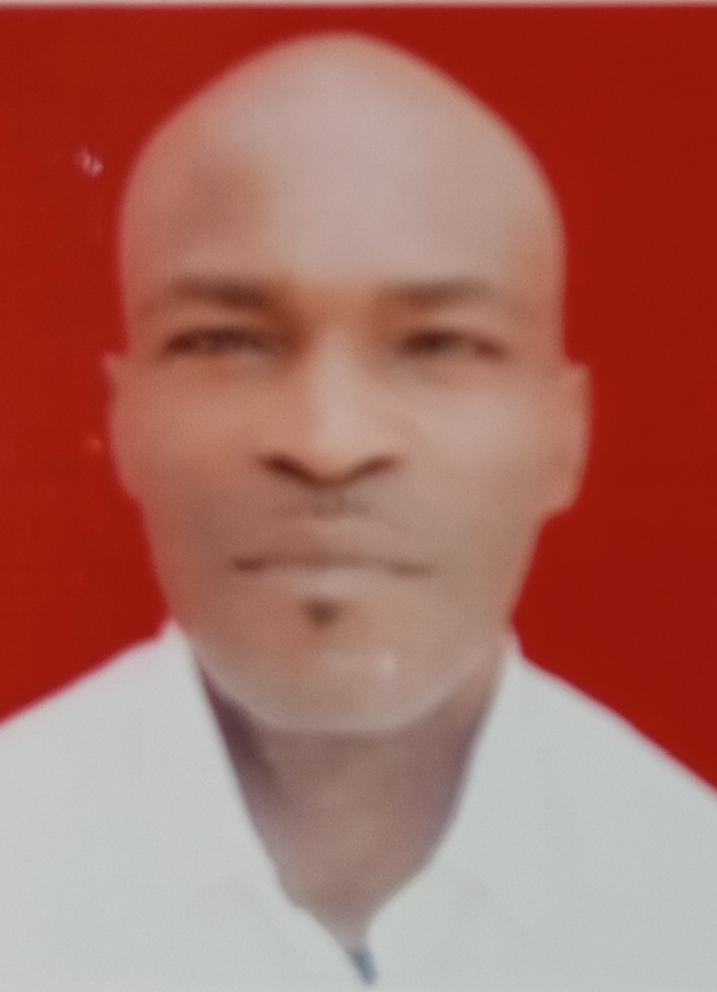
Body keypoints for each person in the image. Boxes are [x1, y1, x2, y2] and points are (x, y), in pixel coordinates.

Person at [1, 32, 716, 992]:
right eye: (224, 340)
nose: (328, 442)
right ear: (120, 423)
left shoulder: (689, 897)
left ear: (565, 436)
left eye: (438, 344)